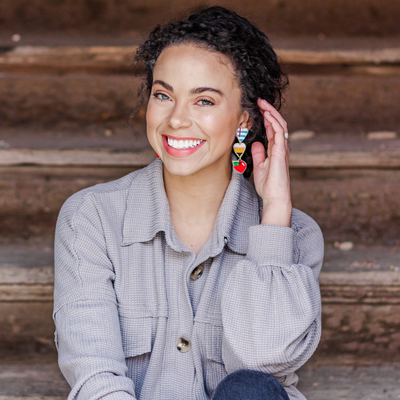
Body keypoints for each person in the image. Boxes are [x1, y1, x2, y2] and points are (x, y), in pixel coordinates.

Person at [53, 6, 323, 400]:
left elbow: (266, 360)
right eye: (164, 95)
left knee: (251, 389)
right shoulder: (91, 218)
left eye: (204, 101)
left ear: (245, 120)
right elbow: (96, 378)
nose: (176, 119)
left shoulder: (294, 234)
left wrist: (275, 214)